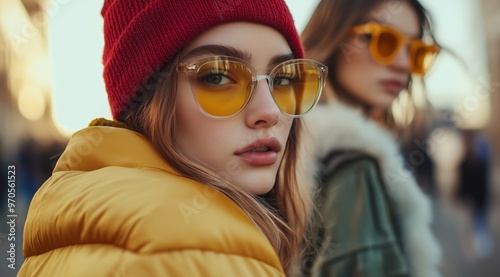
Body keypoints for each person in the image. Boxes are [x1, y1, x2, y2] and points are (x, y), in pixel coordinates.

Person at [18, 0, 328, 276]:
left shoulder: (75, 230)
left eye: (284, 78)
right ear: (148, 100)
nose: (270, 111)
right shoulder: (205, 255)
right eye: (217, 76)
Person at [300, 0, 442, 276]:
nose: (403, 65)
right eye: (383, 39)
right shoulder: (354, 166)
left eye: (415, 50)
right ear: (334, 35)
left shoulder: (290, 149)